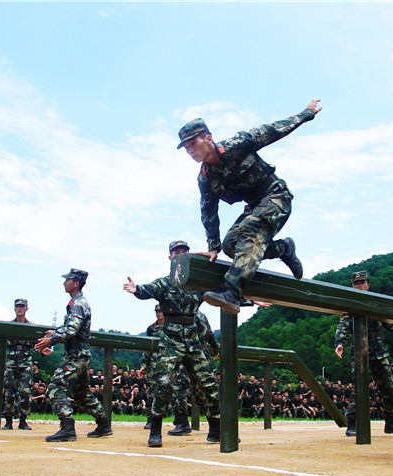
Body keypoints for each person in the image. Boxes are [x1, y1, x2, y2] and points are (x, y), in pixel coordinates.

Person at [177, 101, 322, 313]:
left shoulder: (238, 144)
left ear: (208, 138)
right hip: (254, 206)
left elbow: (274, 130)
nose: (190, 150)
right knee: (231, 245)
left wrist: (306, 113)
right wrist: (214, 247)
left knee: (250, 230)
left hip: (275, 195)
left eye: (193, 143)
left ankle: (231, 290)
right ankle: (284, 249)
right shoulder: (206, 178)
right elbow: (208, 212)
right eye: (186, 147)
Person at [123, 240, 221, 447]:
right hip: (171, 341)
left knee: (208, 384)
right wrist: (136, 289)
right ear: (170, 257)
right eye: (176, 253)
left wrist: (250, 299)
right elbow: (147, 290)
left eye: (184, 252)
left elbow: (222, 292)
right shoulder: (165, 283)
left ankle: (216, 429)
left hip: (193, 340)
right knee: (164, 383)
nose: (180, 256)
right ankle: (156, 430)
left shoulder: (197, 283)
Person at [334, 270, 393, 437]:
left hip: (378, 350)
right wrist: (339, 343)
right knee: (358, 388)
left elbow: (390, 323)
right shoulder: (348, 304)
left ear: (368, 285)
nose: (359, 286)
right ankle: (352, 424)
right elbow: (343, 327)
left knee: (389, 388)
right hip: (359, 351)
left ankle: (390, 423)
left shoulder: (376, 303)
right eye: (356, 283)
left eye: (362, 283)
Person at [34, 269, 112, 442]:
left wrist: (51, 340)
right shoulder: (78, 302)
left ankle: (67, 427)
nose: (64, 282)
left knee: (55, 386)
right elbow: (72, 327)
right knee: (81, 393)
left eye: (67, 280)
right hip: (80, 353)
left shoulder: (77, 303)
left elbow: (72, 329)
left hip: (76, 355)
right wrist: (56, 331)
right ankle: (103, 423)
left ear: (76, 283)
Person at [142, 304, 192, 436]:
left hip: (172, 363)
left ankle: (181, 421)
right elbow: (146, 347)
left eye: (160, 311)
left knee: (176, 392)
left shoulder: (173, 326)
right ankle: (151, 419)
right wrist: (144, 364)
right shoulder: (151, 329)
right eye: (157, 311)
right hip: (154, 364)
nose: (158, 314)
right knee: (152, 392)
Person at [0, 298, 37, 430]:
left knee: (25, 392)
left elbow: (38, 344)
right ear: (14, 309)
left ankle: (23, 420)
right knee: (9, 391)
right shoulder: (8, 326)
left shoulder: (31, 327)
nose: (20, 308)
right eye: (17, 306)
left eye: (22, 306)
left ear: (26, 308)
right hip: (11, 359)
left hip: (26, 360)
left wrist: (44, 350)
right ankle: (8, 420)